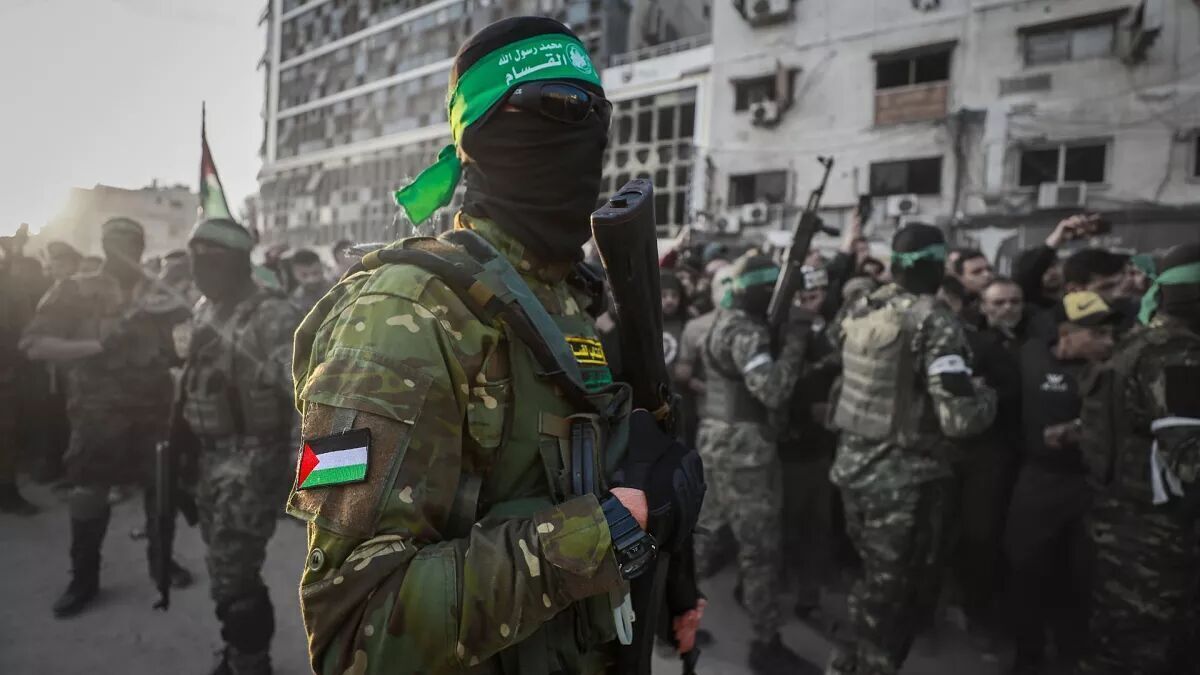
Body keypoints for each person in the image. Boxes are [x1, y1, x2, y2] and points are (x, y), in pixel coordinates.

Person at [285, 18, 706, 675]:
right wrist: (614, 527)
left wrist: (673, 573)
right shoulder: (398, 314)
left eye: (599, 112)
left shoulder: (569, 298)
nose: (588, 129)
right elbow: (352, 629)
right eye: (561, 105)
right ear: (482, 133)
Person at [826, 223, 997, 675]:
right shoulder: (933, 320)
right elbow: (960, 420)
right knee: (896, 590)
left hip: (852, 467)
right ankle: (871, 664)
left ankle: (850, 658)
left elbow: (835, 348)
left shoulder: (862, 305)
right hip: (905, 479)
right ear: (938, 266)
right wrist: (985, 394)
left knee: (873, 576)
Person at [20, 217, 192, 617]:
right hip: (97, 412)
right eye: (117, 242)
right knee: (89, 493)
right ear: (104, 245)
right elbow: (34, 345)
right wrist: (97, 346)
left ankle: (162, 562)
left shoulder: (159, 291)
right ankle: (84, 578)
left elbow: (184, 345)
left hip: (154, 409)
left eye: (133, 243)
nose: (126, 251)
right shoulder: (75, 289)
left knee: (160, 490)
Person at [179, 218, 300, 675]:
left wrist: (307, 481)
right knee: (222, 566)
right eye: (194, 260)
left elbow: (308, 399)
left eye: (210, 261)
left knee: (234, 574)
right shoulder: (205, 309)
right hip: (210, 458)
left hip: (252, 462)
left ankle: (250, 662)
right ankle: (239, 653)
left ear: (238, 262)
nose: (199, 271)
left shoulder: (273, 316)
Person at [1077, 243, 1200, 675]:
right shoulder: (1178, 355)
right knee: (1141, 653)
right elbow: (1191, 459)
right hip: (1156, 541)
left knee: (1116, 646)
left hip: (1123, 525)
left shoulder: (1140, 341)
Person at [695, 253, 817, 674]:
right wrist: (797, 338)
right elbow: (773, 389)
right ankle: (766, 643)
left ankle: (665, 619)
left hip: (716, 440)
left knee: (705, 537)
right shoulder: (746, 332)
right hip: (745, 451)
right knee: (760, 549)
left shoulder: (722, 321)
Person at [1004, 291, 1119, 674]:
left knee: (1083, 576)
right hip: (1039, 481)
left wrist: (1080, 429)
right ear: (1067, 333)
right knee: (1026, 567)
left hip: (1091, 485)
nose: (1109, 341)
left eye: (1110, 332)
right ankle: (1027, 655)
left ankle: (1073, 654)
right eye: (1097, 333)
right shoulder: (1031, 355)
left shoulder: (1116, 370)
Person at [780, 265, 840, 622]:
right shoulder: (777, 333)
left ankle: (809, 597)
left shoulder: (827, 334)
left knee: (818, 529)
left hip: (819, 448)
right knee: (782, 527)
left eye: (814, 296)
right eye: (801, 297)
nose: (807, 303)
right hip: (786, 449)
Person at [0, 230, 39, 514]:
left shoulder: (10, 286)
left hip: (8, 367)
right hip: (7, 369)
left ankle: (7, 490)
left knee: (8, 434)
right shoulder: (9, 287)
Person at [675, 266, 732, 450]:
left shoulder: (757, 324)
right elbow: (683, 374)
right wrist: (710, 388)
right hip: (710, 418)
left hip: (749, 424)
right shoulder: (696, 327)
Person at [289, 247, 330, 314]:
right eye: (304, 275)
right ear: (295, 274)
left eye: (315, 273)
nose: (311, 280)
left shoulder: (336, 290)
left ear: (322, 270)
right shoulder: (295, 300)